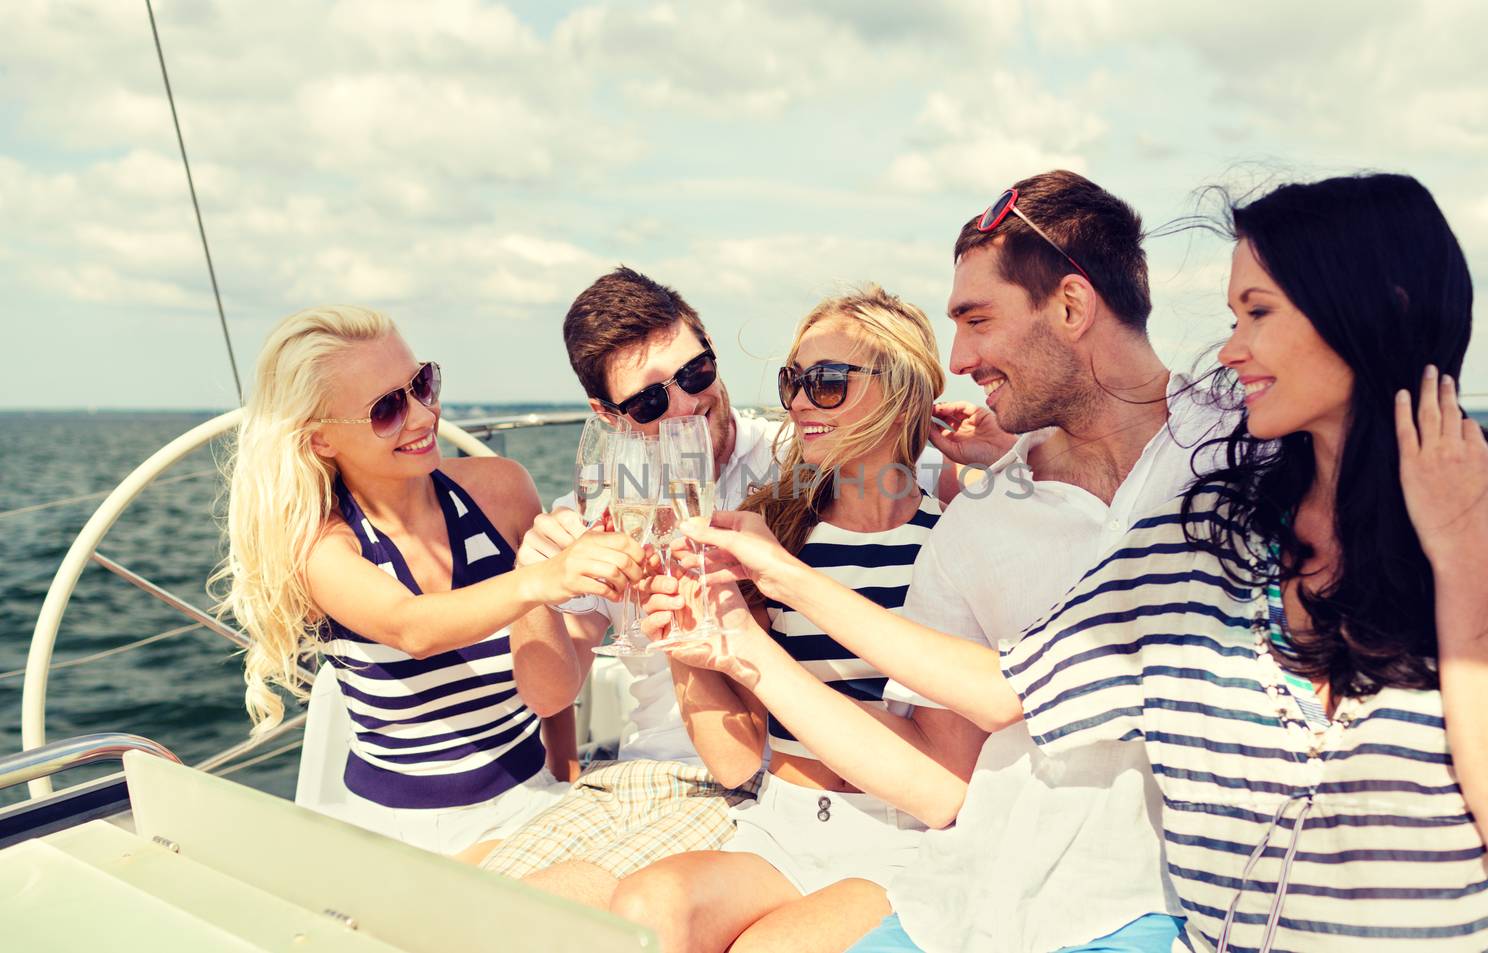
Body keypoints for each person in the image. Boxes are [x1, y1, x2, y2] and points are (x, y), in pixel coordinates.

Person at [1001, 174, 1488, 949]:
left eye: (1259, 311)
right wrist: (788, 579)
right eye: (1232, 316)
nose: (1231, 347)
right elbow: (1003, 688)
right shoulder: (1213, 533)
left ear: (1380, 308)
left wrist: (1460, 554)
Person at [666, 171, 1216, 952]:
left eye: (977, 319)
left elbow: (1007, 692)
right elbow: (937, 769)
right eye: (796, 383)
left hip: (1149, 899)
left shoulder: (1231, 458)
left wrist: (784, 588)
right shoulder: (978, 524)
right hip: (965, 899)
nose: (959, 359)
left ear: (1071, 305)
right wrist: (732, 644)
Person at [477, 269, 951, 905]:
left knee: (557, 911)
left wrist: (976, 458)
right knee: (482, 902)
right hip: (637, 771)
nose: (685, 406)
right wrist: (531, 586)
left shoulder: (800, 460)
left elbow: (905, 476)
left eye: (695, 374)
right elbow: (550, 692)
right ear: (606, 415)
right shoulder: (602, 507)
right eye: (649, 403)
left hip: (738, 784)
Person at [213, 305, 645, 856]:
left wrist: (563, 768)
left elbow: (546, 673)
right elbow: (412, 627)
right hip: (402, 835)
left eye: (421, 384)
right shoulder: (321, 545)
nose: (422, 415)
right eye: (387, 408)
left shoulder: (502, 489)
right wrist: (542, 577)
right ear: (320, 439)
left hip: (533, 799)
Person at [611, 284, 967, 953]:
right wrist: (685, 645)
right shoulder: (771, 534)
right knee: (641, 910)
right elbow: (737, 761)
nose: (801, 400)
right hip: (783, 822)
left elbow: (946, 770)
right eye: (792, 381)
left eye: (827, 381)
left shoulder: (950, 541)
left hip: (901, 840)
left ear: (902, 389)